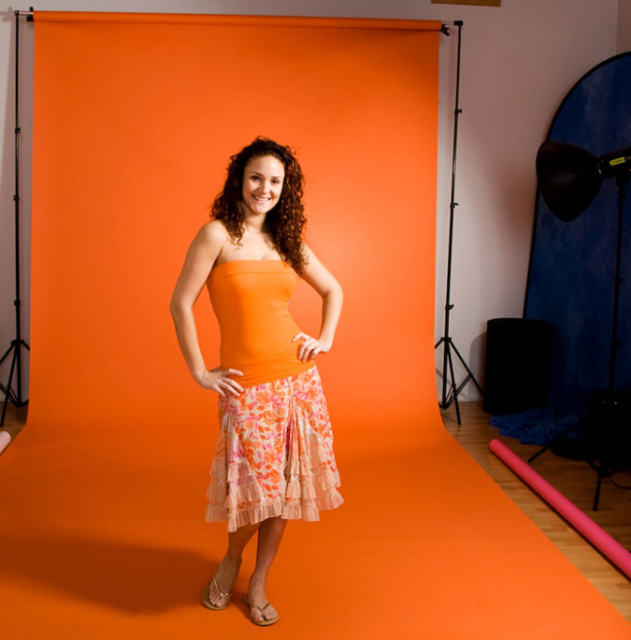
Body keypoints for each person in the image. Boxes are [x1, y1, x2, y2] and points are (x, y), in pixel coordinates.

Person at [169, 137, 344, 626]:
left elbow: (333, 289)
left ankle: (260, 580)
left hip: (298, 382)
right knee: (255, 490)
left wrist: (324, 339)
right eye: (256, 177)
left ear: (285, 188)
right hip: (246, 387)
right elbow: (180, 304)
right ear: (239, 180)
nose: (264, 189)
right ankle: (232, 559)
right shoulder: (216, 235)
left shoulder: (286, 240)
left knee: (284, 492)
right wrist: (200, 371)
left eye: (275, 181)